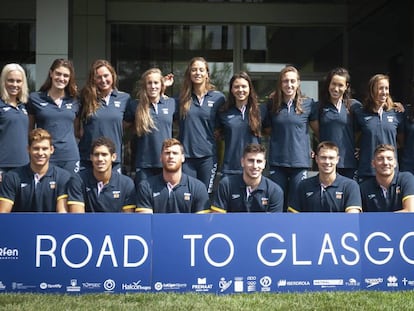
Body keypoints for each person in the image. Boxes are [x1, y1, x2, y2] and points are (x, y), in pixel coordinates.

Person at [263, 65, 319, 211]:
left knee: (296, 204)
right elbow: (266, 130)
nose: (289, 85)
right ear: (280, 83)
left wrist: (315, 148)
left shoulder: (308, 104)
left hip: (299, 163)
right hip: (277, 162)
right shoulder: (272, 104)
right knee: (277, 202)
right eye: (285, 81)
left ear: (298, 83)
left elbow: (318, 131)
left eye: (292, 81)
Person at [177, 56, 225, 194]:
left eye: (201, 70)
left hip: (208, 157)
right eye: (194, 70)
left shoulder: (218, 98)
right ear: (189, 73)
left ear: (207, 74)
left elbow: (226, 121)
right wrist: (163, 87)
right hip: (186, 157)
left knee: (205, 196)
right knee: (187, 195)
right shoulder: (181, 98)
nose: (197, 73)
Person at [124, 68, 176, 187]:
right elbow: (121, 126)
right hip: (143, 164)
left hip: (166, 162)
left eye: (156, 83)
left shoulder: (171, 103)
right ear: (144, 85)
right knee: (143, 201)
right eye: (149, 83)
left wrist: (163, 86)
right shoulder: (135, 105)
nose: (153, 86)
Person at [27, 58, 80, 175]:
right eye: (58, 74)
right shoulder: (35, 98)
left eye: (66, 75)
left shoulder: (75, 100)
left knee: (70, 192)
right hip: (44, 155)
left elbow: (77, 130)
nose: (61, 78)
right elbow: (29, 130)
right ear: (51, 73)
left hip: (69, 156)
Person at [78, 59, 131, 173]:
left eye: (106, 75)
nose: (103, 80)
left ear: (112, 75)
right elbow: (75, 126)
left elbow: (127, 124)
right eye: (98, 77)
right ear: (93, 79)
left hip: (113, 159)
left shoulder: (125, 98)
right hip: (88, 158)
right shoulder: (85, 98)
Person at [0, 128, 71, 212]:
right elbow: (3, 214)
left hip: (51, 225)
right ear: (28, 149)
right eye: (36, 148)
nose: (40, 153)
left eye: (44, 149)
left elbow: (62, 215)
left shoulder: (62, 176)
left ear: (51, 150)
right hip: (20, 225)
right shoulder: (12, 177)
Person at [135, 138, 210, 213]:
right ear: (161, 158)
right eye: (167, 153)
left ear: (183, 158)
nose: (171, 156)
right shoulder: (146, 187)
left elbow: (201, 223)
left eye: (175, 153)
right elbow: (146, 222)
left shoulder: (198, 188)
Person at [354, 74, 404, 182]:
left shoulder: (396, 113)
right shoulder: (360, 113)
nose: (384, 92)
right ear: (372, 90)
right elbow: (355, 138)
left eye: (386, 88)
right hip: (367, 172)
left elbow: (401, 141)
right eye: (380, 88)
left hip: (390, 172)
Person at [288, 141, 362, 213]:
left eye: (331, 158)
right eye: (323, 157)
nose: (327, 162)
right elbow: (293, 217)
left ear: (337, 160)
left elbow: (352, 219)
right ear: (316, 159)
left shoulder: (350, 186)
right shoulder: (303, 186)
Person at [67, 136, 136, 213]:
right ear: (91, 157)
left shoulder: (126, 184)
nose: (100, 159)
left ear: (113, 157)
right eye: (96, 154)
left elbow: (127, 221)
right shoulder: (78, 180)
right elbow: (78, 219)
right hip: (87, 225)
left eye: (104, 154)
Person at [211, 143, 283, 213]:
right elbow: (218, 220)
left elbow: (272, 223)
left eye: (259, 161)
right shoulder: (226, 185)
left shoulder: (275, 191)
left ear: (264, 164)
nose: (255, 166)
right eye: (251, 161)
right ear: (242, 162)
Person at [317, 67, 361, 179]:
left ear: (347, 87)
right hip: (326, 162)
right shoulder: (318, 106)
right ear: (328, 85)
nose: (336, 89)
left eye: (340, 85)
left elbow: (368, 125)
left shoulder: (354, 106)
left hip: (348, 162)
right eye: (333, 84)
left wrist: (360, 147)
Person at [216, 71, 262, 176]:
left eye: (244, 86)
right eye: (236, 87)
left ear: (250, 89)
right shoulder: (223, 112)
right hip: (230, 168)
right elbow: (217, 135)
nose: (240, 90)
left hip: (253, 168)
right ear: (231, 90)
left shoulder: (260, 111)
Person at [360, 144, 414, 212]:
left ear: (395, 163)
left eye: (390, 159)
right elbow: (358, 218)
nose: (385, 163)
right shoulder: (364, 187)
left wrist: (381, 220)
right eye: (380, 159)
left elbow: (410, 211)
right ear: (373, 163)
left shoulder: (406, 179)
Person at [0, 63, 30, 181]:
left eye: (18, 81)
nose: (15, 84)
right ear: (3, 82)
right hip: (3, 166)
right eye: (10, 80)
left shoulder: (24, 106)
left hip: (24, 165)